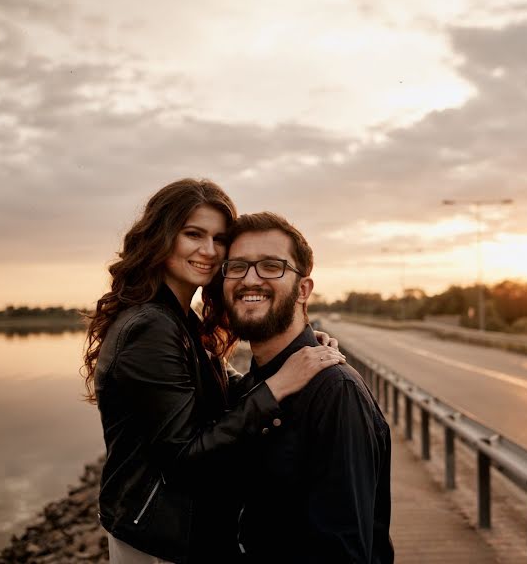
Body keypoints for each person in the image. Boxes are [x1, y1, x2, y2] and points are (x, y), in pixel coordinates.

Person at [82, 179, 345, 563]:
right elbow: (184, 456)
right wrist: (280, 384)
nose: (208, 251)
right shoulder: (150, 326)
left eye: (219, 239)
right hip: (157, 538)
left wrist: (297, 353)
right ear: (162, 236)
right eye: (193, 234)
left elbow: (226, 393)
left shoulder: (178, 318)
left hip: (175, 530)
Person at [221, 212, 394, 564]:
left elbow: (342, 552)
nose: (249, 279)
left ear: (303, 289)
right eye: (237, 266)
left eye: (271, 266)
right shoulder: (255, 384)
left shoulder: (335, 392)